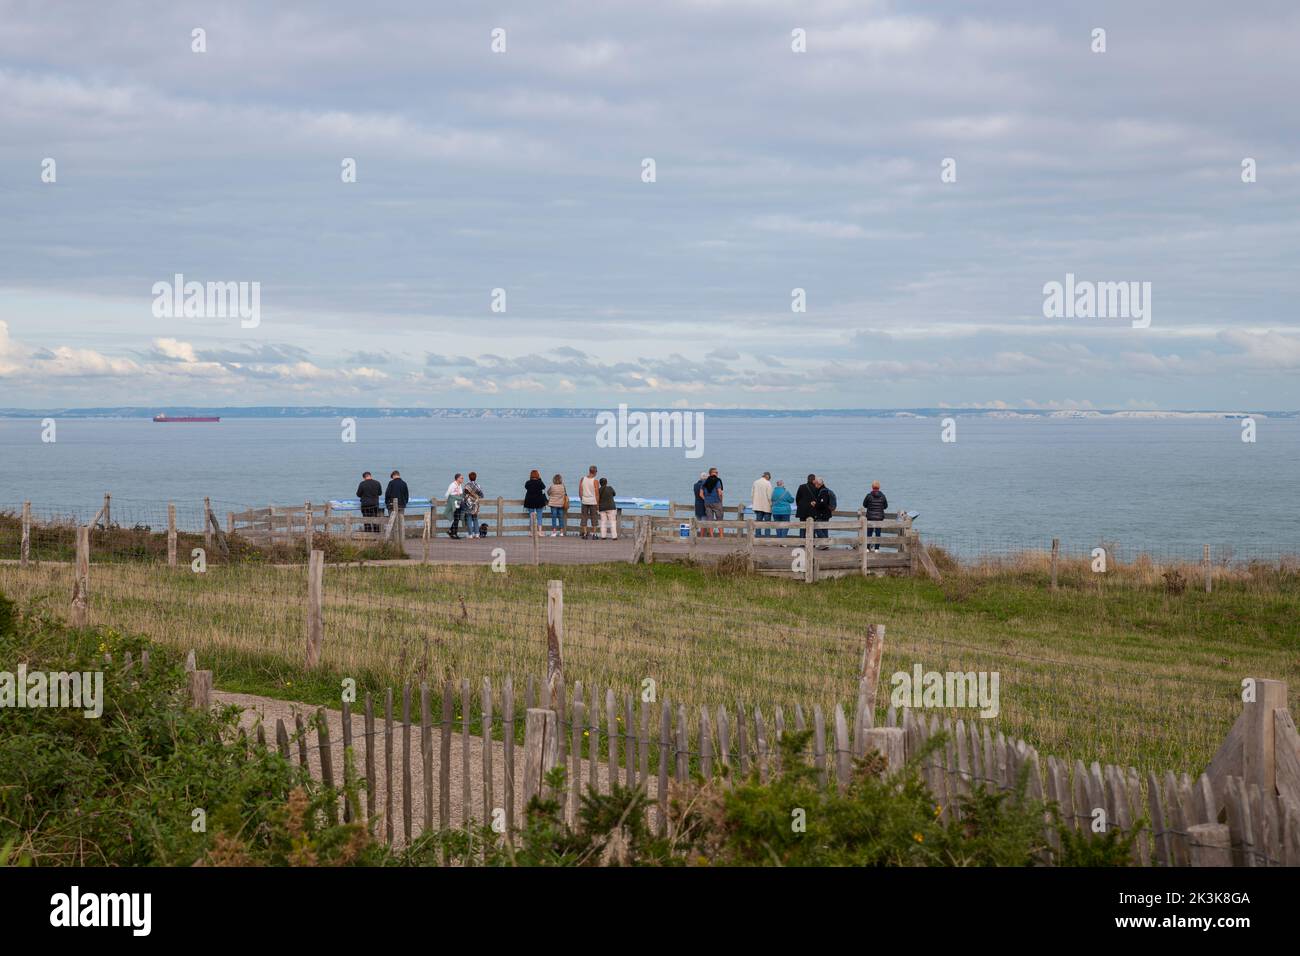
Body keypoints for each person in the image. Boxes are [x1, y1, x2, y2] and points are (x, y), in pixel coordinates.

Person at [862, 480, 888, 551]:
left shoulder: (869, 496)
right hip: (879, 518)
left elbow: (864, 505)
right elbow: (886, 506)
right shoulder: (883, 496)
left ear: (872, 487)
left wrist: (869, 506)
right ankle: (877, 549)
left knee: (869, 533)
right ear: (879, 487)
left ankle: (867, 548)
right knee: (878, 533)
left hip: (870, 517)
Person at [700, 467, 724, 537]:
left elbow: (701, 494)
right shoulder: (717, 481)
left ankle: (711, 536)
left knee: (710, 519)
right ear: (711, 473)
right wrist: (721, 500)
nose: (717, 474)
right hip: (716, 502)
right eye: (715, 472)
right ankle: (721, 536)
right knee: (719, 519)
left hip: (707, 503)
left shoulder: (704, 482)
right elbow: (719, 492)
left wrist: (706, 499)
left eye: (717, 472)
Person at [812, 476, 836, 546]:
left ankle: (825, 542)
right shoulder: (824, 490)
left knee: (816, 527)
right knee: (824, 528)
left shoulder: (823, 492)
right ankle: (824, 545)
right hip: (827, 513)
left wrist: (815, 504)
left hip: (823, 513)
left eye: (815, 484)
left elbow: (823, 503)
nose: (815, 485)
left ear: (818, 484)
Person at [578, 465, 600, 539]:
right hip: (593, 501)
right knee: (594, 517)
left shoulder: (582, 479)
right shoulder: (595, 481)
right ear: (595, 472)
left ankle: (585, 533)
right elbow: (597, 493)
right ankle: (594, 534)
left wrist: (582, 499)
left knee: (584, 517)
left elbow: (580, 491)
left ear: (589, 471)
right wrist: (597, 503)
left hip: (585, 500)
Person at [751, 471, 773, 536]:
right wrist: (771, 504)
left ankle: (757, 538)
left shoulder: (755, 482)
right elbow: (769, 496)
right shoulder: (768, 483)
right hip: (766, 507)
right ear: (768, 476)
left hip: (757, 506)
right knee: (767, 524)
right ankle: (767, 539)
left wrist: (754, 504)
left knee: (758, 523)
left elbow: (752, 495)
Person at [795, 473, 817, 538]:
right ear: (813, 480)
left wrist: (799, 505)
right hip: (812, 510)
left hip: (802, 510)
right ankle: (812, 542)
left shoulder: (801, 486)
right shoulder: (816, 488)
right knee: (812, 527)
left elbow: (797, 498)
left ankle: (801, 542)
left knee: (802, 527)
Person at [462, 471, 483, 538]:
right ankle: (477, 534)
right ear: (475, 478)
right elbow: (482, 495)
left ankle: (470, 534)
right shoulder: (478, 486)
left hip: (468, 503)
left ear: (469, 477)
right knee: (475, 518)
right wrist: (475, 496)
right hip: (475, 504)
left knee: (469, 518)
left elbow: (464, 495)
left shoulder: (467, 485)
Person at [444, 473, 464, 539]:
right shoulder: (452, 485)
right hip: (453, 503)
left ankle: (450, 531)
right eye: (461, 478)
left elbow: (460, 493)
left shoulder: (460, 485)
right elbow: (447, 494)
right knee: (456, 518)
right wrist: (446, 501)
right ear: (457, 478)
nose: (462, 479)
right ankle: (454, 533)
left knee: (457, 518)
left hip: (458, 502)